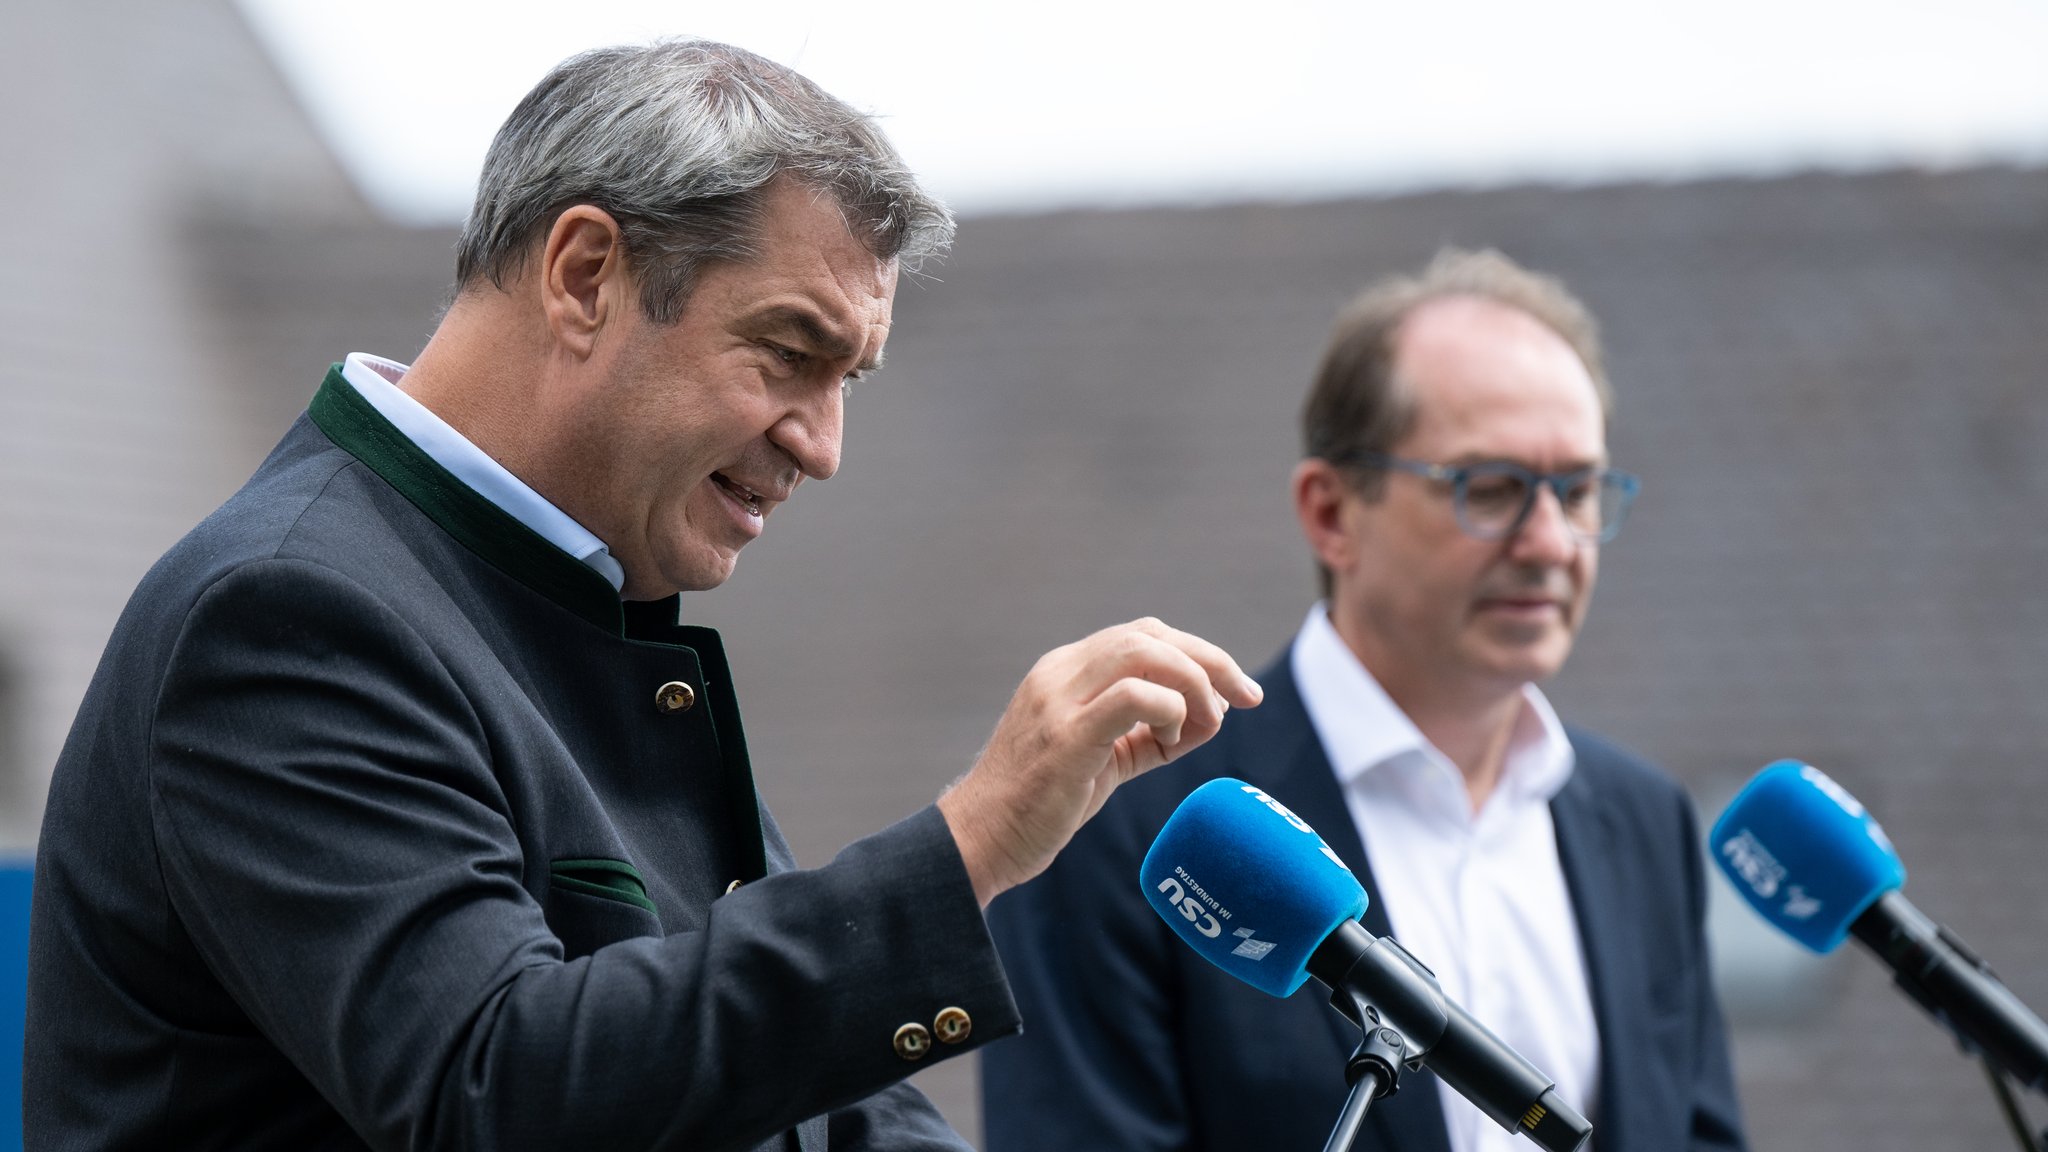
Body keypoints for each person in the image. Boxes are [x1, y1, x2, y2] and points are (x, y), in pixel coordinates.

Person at [22, 41, 1261, 1152]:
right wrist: (974, 841)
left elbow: (800, 1097)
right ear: (583, 272)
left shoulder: (561, 598)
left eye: (851, 379)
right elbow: (493, 1089)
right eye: (787, 353)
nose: (823, 444)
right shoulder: (286, 612)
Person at [983, 249, 1746, 1152]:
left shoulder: (1646, 821)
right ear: (1333, 513)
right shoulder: (1138, 826)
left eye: (1576, 490)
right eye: (1492, 488)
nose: (1550, 542)